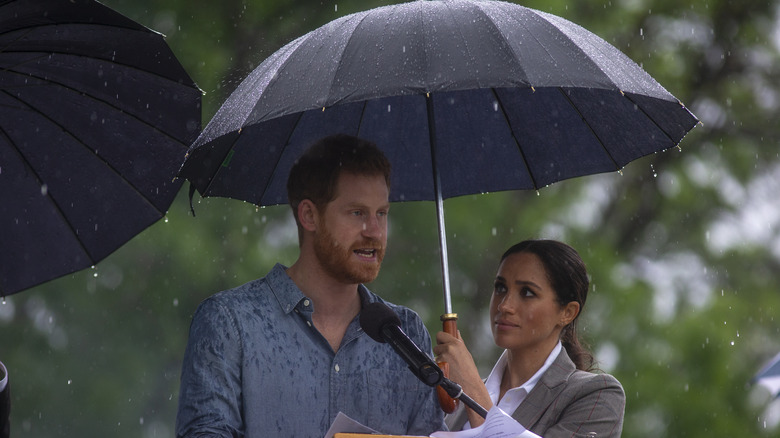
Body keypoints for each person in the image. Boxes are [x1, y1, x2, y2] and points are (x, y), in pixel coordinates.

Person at [175, 134, 445, 438]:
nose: (374, 231)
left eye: (381, 213)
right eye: (357, 213)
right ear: (309, 215)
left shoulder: (407, 332)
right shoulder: (228, 322)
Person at [434, 239, 625, 437]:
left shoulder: (596, 395)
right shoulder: (453, 399)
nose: (505, 305)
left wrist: (472, 390)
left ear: (567, 312)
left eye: (527, 292)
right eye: (500, 288)